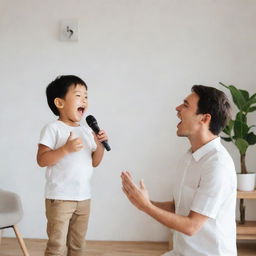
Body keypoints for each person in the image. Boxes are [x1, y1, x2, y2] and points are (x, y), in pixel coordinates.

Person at [121, 85, 237, 256]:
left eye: (185, 105)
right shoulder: (190, 156)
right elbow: (179, 208)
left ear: (204, 119)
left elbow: (191, 226)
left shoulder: (217, 165)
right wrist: (144, 202)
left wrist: (146, 207)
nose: (177, 108)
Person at [37, 75, 108, 256]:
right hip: (60, 198)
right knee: (57, 245)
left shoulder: (86, 130)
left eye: (86, 96)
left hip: (83, 198)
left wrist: (100, 145)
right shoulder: (53, 128)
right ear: (60, 103)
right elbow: (42, 160)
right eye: (78, 95)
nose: (84, 99)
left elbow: (95, 162)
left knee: (78, 245)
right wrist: (65, 150)